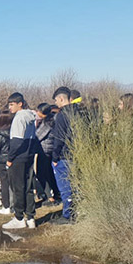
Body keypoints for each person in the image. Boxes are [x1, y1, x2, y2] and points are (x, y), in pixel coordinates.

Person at [3, 92, 39, 230]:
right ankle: (30, 217)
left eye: (12, 104)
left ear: (20, 104)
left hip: (18, 157)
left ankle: (19, 218)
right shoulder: (31, 116)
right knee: (28, 187)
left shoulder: (19, 118)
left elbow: (17, 141)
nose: (10, 107)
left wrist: (10, 159)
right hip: (29, 155)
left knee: (18, 188)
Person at [51, 86, 81, 224]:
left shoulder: (62, 115)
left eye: (57, 100)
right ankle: (77, 211)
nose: (56, 103)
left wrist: (55, 157)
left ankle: (67, 215)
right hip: (78, 155)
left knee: (65, 187)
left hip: (65, 156)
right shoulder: (80, 112)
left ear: (61, 99)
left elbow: (59, 138)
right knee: (76, 186)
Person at [34, 104, 60, 205]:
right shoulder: (53, 119)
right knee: (49, 173)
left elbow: (38, 136)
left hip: (45, 150)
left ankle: (50, 197)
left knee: (42, 173)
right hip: (51, 150)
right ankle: (55, 194)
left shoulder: (47, 123)